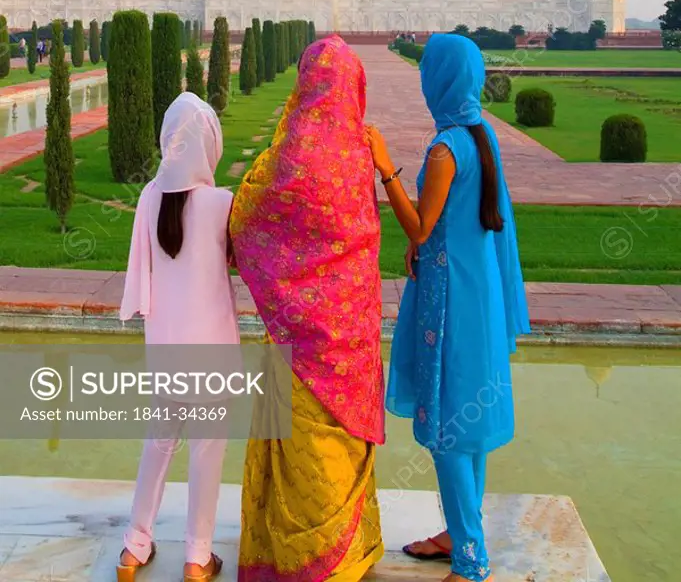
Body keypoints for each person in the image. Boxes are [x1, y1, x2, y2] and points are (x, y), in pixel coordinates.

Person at [367, 33, 529, 582]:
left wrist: (385, 168)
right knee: (470, 419)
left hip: (450, 301)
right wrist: (423, 244)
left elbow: (420, 223)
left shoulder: (444, 150)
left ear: (436, 82)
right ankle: (457, 531)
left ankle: (471, 557)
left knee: (446, 433)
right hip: (476, 290)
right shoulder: (481, 137)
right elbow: (455, 221)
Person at [231, 35, 385, 582]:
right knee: (333, 445)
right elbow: (362, 240)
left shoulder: (286, 155)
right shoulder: (358, 153)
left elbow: (246, 221)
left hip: (296, 337)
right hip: (349, 334)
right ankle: (340, 556)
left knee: (298, 444)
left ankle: (292, 554)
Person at [117, 92, 238, 582]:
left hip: (164, 345)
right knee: (207, 448)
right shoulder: (221, 203)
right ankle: (197, 556)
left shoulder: (149, 198)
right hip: (211, 346)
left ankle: (134, 546)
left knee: (159, 442)